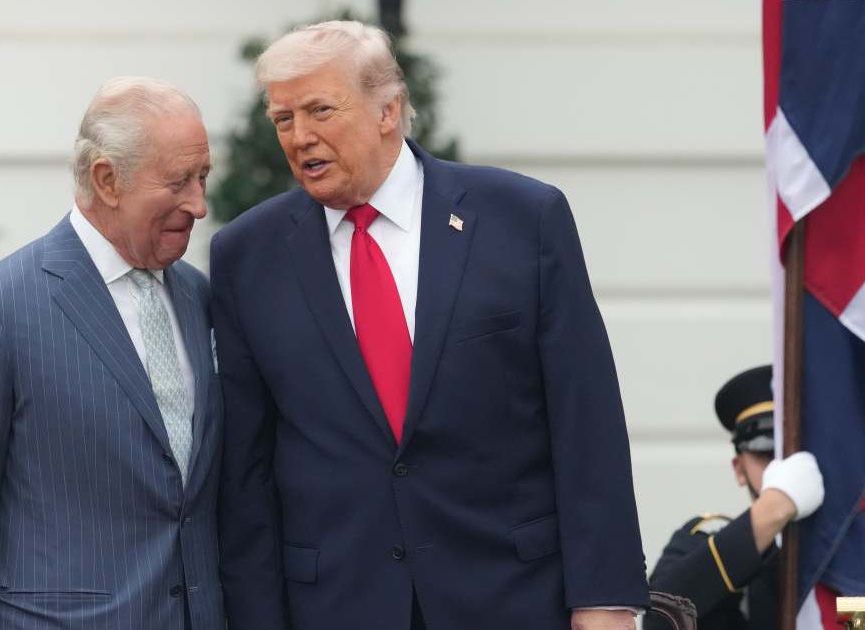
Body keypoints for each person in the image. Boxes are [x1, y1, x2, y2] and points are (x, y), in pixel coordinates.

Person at [211, 20, 648, 630]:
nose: (300, 137)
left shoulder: (523, 219)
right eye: (283, 119)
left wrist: (605, 603)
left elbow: (586, 420)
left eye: (319, 110)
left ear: (388, 110)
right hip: (337, 604)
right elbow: (247, 472)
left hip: (512, 596)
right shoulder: (247, 255)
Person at [0, 77, 222, 630]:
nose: (198, 204)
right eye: (177, 181)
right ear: (107, 180)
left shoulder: (196, 295)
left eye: (202, 177)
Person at [646, 365, 824, 630]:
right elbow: (661, 618)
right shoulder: (701, 540)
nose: (783, 468)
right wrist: (773, 510)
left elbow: (855, 622)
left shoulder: (850, 551)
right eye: (767, 453)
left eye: (794, 454)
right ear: (739, 469)